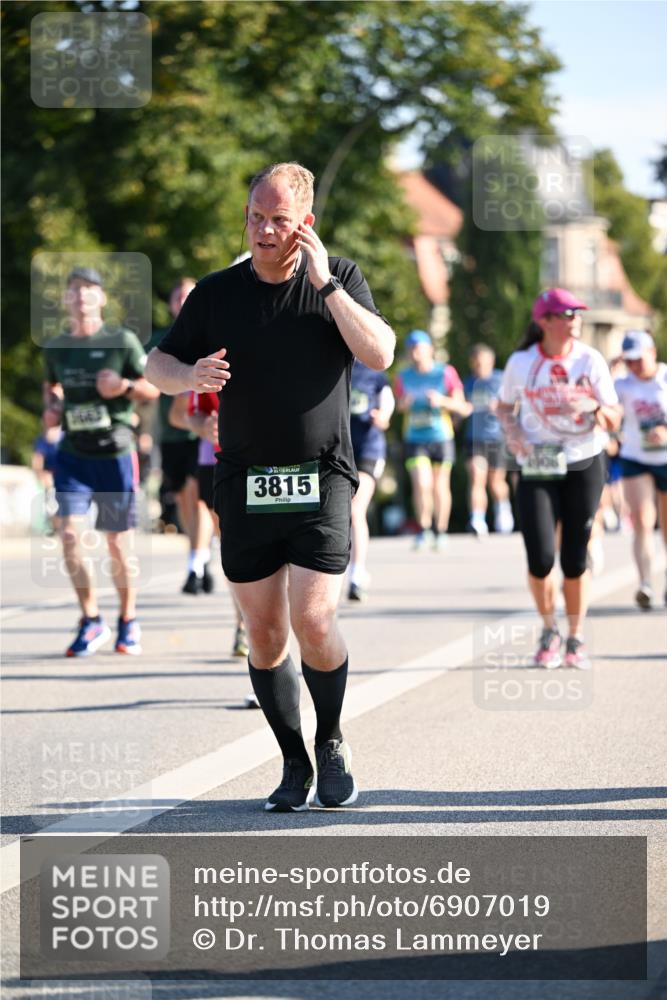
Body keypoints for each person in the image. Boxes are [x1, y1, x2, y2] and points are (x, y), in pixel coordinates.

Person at [146, 161, 395, 811]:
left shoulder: (338, 278)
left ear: (304, 224)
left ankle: (332, 740)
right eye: (255, 216)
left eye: (277, 219)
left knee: (313, 617)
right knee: (263, 634)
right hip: (245, 478)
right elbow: (156, 362)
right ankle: (292, 762)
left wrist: (328, 289)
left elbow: (379, 353)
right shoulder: (217, 292)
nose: (262, 229)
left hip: (322, 476)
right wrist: (188, 374)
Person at [497, 288, 621, 669]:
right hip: (538, 462)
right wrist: (514, 434)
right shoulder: (522, 362)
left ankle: (575, 636)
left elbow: (615, 417)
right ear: (545, 321)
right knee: (540, 556)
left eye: (577, 314)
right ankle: (549, 629)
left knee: (574, 557)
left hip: (584, 461)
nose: (576, 320)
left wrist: (595, 407)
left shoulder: (590, 359)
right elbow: (503, 406)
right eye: (567, 314)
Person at [43, 266, 159, 656]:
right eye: (74, 290)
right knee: (70, 536)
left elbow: (153, 388)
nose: (81, 297)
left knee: (117, 543)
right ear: (65, 299)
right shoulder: (56, 346)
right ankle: (92, 620)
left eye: (89, 290)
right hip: (74, 455)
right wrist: (52, 408)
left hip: (114, 454)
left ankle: (128, 620)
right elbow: (51, 387)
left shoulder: (121, 341)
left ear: (102, 299)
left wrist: (123, 386)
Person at [169, 389, 249, 656]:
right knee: (235, 550)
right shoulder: (209, 351)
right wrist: (202, 424)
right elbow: (185, 413)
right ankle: (245, 626)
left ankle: (262, 625)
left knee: (272, 550)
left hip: (272, 459)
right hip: (216, 460)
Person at [148, 278, 216, 594]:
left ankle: (196, 564)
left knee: (198, 498)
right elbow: (148, 383)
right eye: (178, 296)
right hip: (171, 431)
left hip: (200, 433)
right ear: (171, 303)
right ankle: (200, 553)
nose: (183, 300)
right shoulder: (160, 341)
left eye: (189, 294)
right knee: (183, 503)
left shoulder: (207, 332)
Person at [394, 330, 471, 550]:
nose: (415, 352)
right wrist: (404, 404)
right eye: (411, 348)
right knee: (421, 483)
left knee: (439, 485)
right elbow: (398, 406)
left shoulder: (445, 373)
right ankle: (424, 529)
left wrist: (442, 401)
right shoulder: (403, 376)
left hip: (441, 436)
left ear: (430, 350)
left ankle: (441, 530)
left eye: (419, 348)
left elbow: (463, 407)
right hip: (415, 438)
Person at [614, 330, 667, 609]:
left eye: (639, 359)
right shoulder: (623, 384)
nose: (634, 366)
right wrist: (610, 369)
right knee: (643, 521)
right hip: (636, 457)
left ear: (653, 352)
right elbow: (603, 404)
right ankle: (645, 583)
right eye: (629, 360)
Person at [348, 358, 395, 601]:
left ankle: (357, 574)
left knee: (356, 509)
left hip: (368, 449)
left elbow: (387, 398)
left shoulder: (373, 369)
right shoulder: (331, 362)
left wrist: (383, 416)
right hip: (337, 451)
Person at [463, 343, 514, 536]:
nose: (478, 367)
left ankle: (503, 510)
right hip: (474, 438)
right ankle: (477, 519)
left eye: (482, 363)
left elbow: (515, 406)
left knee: (496, 482)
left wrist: (501, 407)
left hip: (496, 438)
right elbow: (462, 405)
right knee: (477, 476)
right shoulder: (469, 383)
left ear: (491, 361)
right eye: (475, 363)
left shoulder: (501, 380)